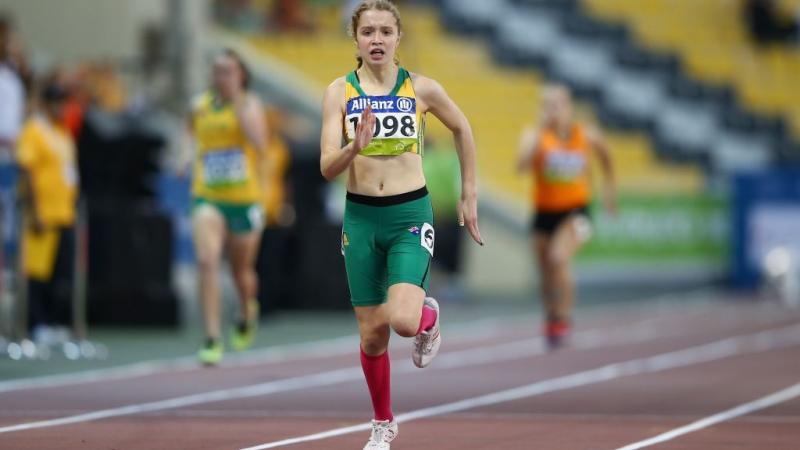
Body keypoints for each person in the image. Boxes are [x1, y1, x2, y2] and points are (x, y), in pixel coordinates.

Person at [319, 1, 482, 448]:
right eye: (368, 32)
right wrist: (355, 148)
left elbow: (462, 128)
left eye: (385, 32)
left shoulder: (421, 89)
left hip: (409, 213)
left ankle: (427, 315)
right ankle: (382, 422)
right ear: (355, 39)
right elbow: (326, 166)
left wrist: (469, 194)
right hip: (361, 219)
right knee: (372, 335)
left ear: (397, 38)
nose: (376, 40)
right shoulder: (339, 92)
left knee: (403, 323)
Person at [516, 84, 616, 349]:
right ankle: (551, 317)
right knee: (545, 269)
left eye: (556, 105)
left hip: (576, 211)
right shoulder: (535, 135)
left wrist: (609, 191)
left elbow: (606, 157)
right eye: (546, 105)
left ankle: (564, 318)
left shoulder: (586, 134)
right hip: (544, 212)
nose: (552, 110)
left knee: (558, 257)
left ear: (568, 106)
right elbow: (521, 166)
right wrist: (537, 140)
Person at [187, 49, 267, 365]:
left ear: (241, 75)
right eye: (217, 70)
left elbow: (260, 144)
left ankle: (248, 308)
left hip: (244, 199)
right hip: (208, 195)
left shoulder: (250, 105)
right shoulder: (200, 105)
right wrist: (183, 155)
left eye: (228, 71)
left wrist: (237, 103)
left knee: (241, 272)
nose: (221, 77)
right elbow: (188, 130)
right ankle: (211, 338)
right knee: (207, 261)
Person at [16, 79, 79, 343]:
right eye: (56, 102)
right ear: (45, 103)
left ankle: (53, 322)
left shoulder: (62, 132)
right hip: (43, 214)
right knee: (37, 273)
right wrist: (35, 210)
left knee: (60, 273)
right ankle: (36, 323)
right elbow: (28, 170)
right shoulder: (35, 130)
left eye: (63, 102)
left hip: (64, 212)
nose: (61, 107)